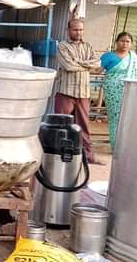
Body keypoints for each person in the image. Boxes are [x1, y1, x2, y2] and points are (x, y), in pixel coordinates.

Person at [55, 18, 101, 164]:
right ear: (68, 30)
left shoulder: (88, 46)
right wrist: (87, 65)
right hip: (66, 91)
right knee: (61, 124)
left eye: (81, 29)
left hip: (83, 93)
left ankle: (87, 156)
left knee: (84, 126)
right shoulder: (63, 46)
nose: (78, 32)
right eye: (75, 29)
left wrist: (79, 62)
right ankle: (58, 154)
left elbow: (98, 63)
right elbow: (68, 66)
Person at [100, 32, 137, 151]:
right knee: (115, 117)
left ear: (131, 44)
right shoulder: (108, 56)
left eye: (128, 41)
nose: (125, 44)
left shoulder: (134, 58)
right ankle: (117, 147)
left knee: (131, 117)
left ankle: (128, 147)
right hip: (113, 90)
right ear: (116, 42)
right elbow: (97, 69)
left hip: (131, 91)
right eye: (122, 41)